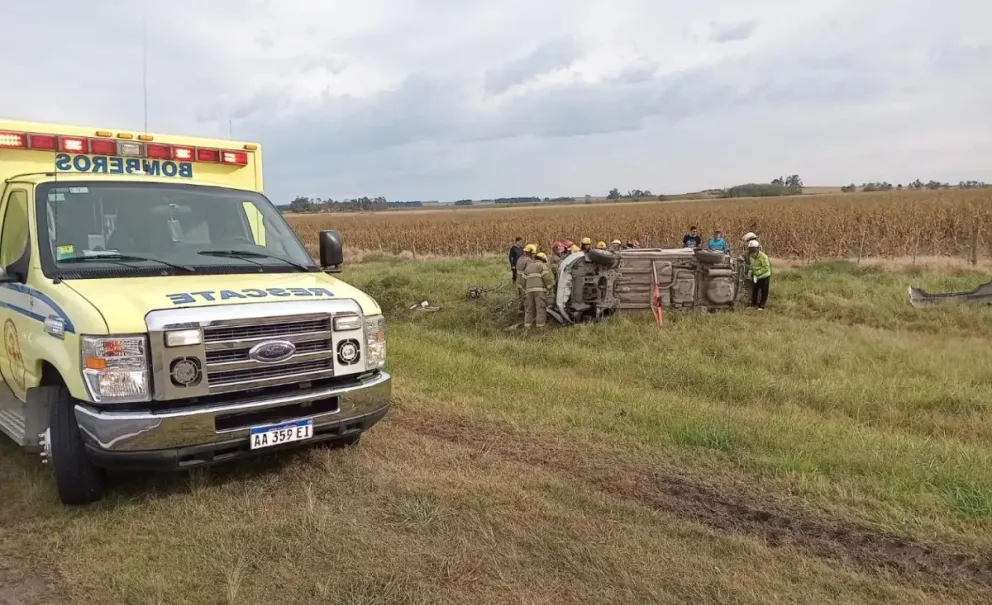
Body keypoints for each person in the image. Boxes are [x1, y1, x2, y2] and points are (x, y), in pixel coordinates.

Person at [520, 252, 554, 328]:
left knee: (529, 309)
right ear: (543, 259)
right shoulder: (542, 265)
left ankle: (527, 326)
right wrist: (549, 287)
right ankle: (540, 327)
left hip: (528, 291)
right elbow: (547, 278)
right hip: (540, 291)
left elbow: (523, 281)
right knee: (540, 309)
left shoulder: (528, 267)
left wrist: (526, 289)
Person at [745, 239, 771, 309]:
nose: (752, 251)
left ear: (757, 248)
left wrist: (757, 273)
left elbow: (766, 268)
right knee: (755, 290)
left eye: (753, 249)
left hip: (764, 276)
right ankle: (754, 305)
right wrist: (750, 272)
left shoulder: (763, 257)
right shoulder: (751, 256)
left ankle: (762, 306)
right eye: (751, 249)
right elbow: (752, 266)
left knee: (764, 291)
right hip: (755, 276)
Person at [515, 244, 536, 311]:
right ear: (530, 252)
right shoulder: (528, 260)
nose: (533, 255)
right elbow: (531, 271)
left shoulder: (520, 258)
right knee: (527, 298)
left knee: (521, 297)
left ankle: (520, 311)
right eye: (533, 254)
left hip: (519, 281)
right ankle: (527, 313)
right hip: (525, 283)